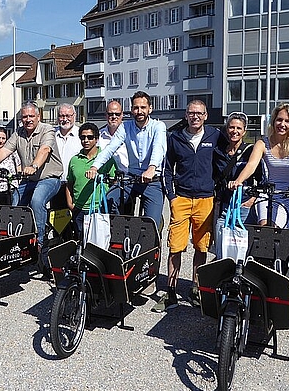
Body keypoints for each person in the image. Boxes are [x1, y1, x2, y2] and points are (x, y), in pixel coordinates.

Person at [157, 100, 228, 311]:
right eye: (191, 113)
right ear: (186, 115)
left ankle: (196, 288)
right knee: (175, 246)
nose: (195, 116)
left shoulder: (214, 136)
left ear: (206, 115)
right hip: (181, 198)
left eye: (199, 113)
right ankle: (170, 291)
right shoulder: (175, 138)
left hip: (205, 199)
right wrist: (171, 196)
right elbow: (167, 168)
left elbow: (226, 159)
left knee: (201, 246)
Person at [0, 102, 63, 265]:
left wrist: (34, 166)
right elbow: (5, 150)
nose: (28, 119)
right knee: (15, 203)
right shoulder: (18, 133)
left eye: (31, 116)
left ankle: (39, 241)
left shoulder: (47, 130)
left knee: (37, 201)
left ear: (38, 116)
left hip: (50, 178)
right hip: (30, 180)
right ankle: (16, 239)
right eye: (24, 117)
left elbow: (45, 150)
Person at [87, 91, 167, 231]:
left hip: (152, 179)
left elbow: (158, 148)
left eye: (143, 107)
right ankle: (120, 233)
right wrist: (95, 167)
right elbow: (110, 148)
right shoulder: (125, 126)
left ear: (150, 109)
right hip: (132, 177)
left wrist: (152, 167)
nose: (139, 111)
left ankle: (152, 244)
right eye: (136, 108)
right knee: (110, 200)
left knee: (151, 224)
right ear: (131, 110)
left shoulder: (158, 127)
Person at [230, 103, 289, 230]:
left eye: (287, 121)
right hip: (271, 192)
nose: (282, 124)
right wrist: (238, 181)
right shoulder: (263, 143)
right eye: (279, 120)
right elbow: (252, 164)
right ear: (273, 121)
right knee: (266, 229)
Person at [66, 122, 116, 242]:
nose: (86, 140)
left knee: (99, 244)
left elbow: (114, 181)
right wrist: (70, 203)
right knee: (81, 242)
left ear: (97, 139)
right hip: (79, 209)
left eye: (90, 137)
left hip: (99, 209)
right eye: (83, 137)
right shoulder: (74, 160)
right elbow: (69, 183)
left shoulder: (105, 158)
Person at [214, 112, 263, 222]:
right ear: (227, 129)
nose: (234, 131)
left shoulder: (250, 152)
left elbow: (262, 180)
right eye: (231, 127)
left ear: (244, 131)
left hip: (243, 206)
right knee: (221, 238)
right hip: (223, 205)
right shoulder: (218, 152)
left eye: (239, 128)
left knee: (242, 239)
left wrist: (252, 200)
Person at [98, 100, 128, 214]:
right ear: (106, 115)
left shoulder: (129, 134)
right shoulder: (99, 136)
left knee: (127, 217)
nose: (114, 117)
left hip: (126, 181)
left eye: (117, 114)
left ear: (122, 115)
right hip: (105, 182)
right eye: (110, 114)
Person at [53, 103, 82, 209]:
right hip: (55, 184)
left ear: (74, 116)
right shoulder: (51, 135)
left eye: (68, 116)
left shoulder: (81, 135)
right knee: (56, 220)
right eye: (61, 116)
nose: (65, 119)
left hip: (74, 185)